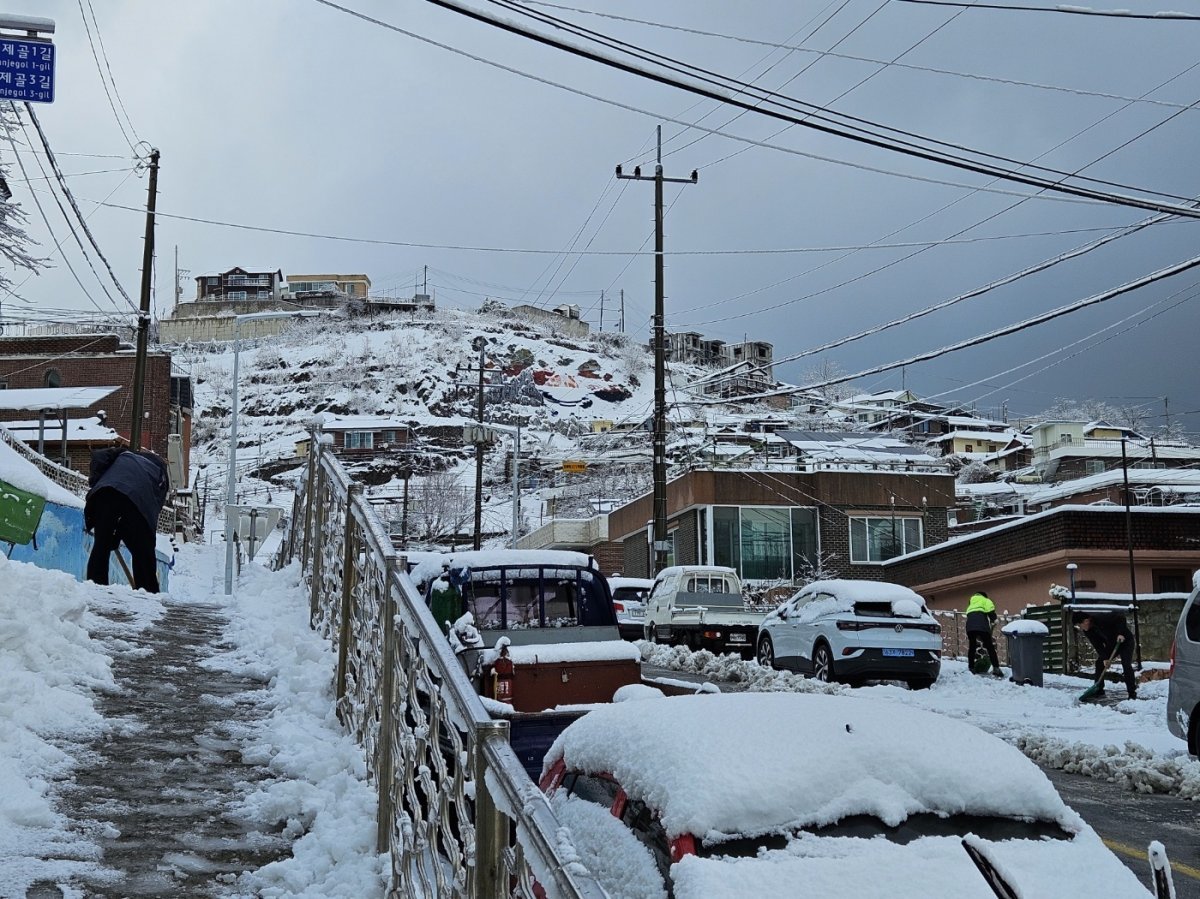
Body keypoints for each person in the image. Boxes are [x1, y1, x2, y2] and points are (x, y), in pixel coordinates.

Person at [85, 444, 170, 593]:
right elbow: (150, 511)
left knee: (101, 545)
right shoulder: (158, 471)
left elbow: (118, 508)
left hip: (103, 494)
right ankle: (148, 594)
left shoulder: (120, 457)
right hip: (137, 500)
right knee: (143, 552)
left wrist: (115, 536)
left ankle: (96, 591)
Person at [1074, 610, 1137, 700]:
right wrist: (1104, 658)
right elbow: (1098, 645)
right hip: (1112, 644)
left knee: (1126, 664)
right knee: (1100, 663)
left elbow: (1120, 617)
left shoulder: (1101, 618)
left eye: (1080, 625)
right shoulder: (1088, 631)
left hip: (1125, 641)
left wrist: (1120, 633)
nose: (1080, 628)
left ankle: (1132, 693)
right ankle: (1098, 689)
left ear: (1086, 621)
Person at [965, 590, 1003, 677]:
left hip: (970, 627)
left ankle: (971, 668)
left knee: (972, 646)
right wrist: (994, 619)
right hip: (982, 625)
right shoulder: (986, 600)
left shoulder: (971, 602)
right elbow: (990, 610)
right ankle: (996, 668)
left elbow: (970, 614)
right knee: (990, 647)